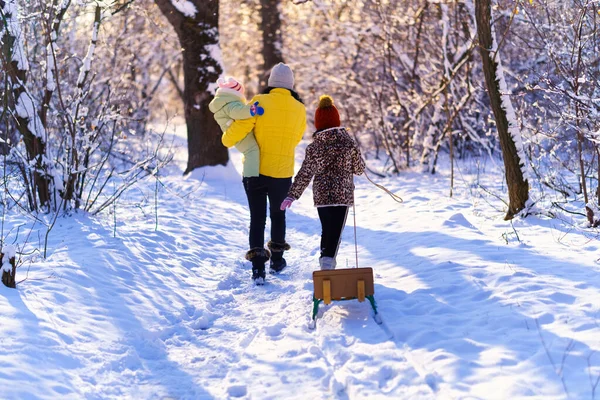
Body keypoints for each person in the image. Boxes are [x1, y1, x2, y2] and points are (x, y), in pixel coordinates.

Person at [221, 63, 306, 284]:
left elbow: (240, 129)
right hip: (282, 172)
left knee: (257, 218)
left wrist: (227, 137)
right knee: (278, 215)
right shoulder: (299, 109)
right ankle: (277, 261)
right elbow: (297, 138)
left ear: (270, 83)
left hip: (255, 171)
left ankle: (258, 269)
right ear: (291, 85)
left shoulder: (260, 102)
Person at [280, 95, 365, 270]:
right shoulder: (348, 143)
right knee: (336, 233)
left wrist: (292, 195)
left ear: (318, 124)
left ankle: (325, 263)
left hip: (322, 197)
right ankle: (327, 267)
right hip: (342, 196)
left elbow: (305, 173)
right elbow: (359, 169)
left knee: (327, 230)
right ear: (337, 120)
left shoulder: (314, 147)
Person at [209, 77, 264, 178]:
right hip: (238, 134)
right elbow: (238, 113)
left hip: (236, 134)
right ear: (236, 93)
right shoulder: (231, 104)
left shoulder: (225, 103)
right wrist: (251, 110)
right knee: (252, 151)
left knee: (250, 152)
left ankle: (250, 175)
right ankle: (251, 178)